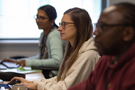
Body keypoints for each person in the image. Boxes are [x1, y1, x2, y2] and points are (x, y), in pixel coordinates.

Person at [10, 7, 100, 90]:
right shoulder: (76, 50)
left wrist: (38, 85)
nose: (59, 28)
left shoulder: (88, 55)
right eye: (61, 24)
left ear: (79, 26)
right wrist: (33, 82)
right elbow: (61, 78)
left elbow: (65, 87)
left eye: (64, 24)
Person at [68, 2, 135, 90]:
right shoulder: (106, 60)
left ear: (128, 33)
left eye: (103, 27)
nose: (95, 33)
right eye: (97, 26)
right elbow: (85, 86)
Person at [2, 5, 65, 78]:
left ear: (52, 20)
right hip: (46, 72)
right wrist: (19, 61)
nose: (38, 20)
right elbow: (41, 57)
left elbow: (57, 61)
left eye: (42, 18)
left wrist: (28, 62)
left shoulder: (54, 35)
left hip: (53, 75)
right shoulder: (44, 34)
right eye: (37, 17)